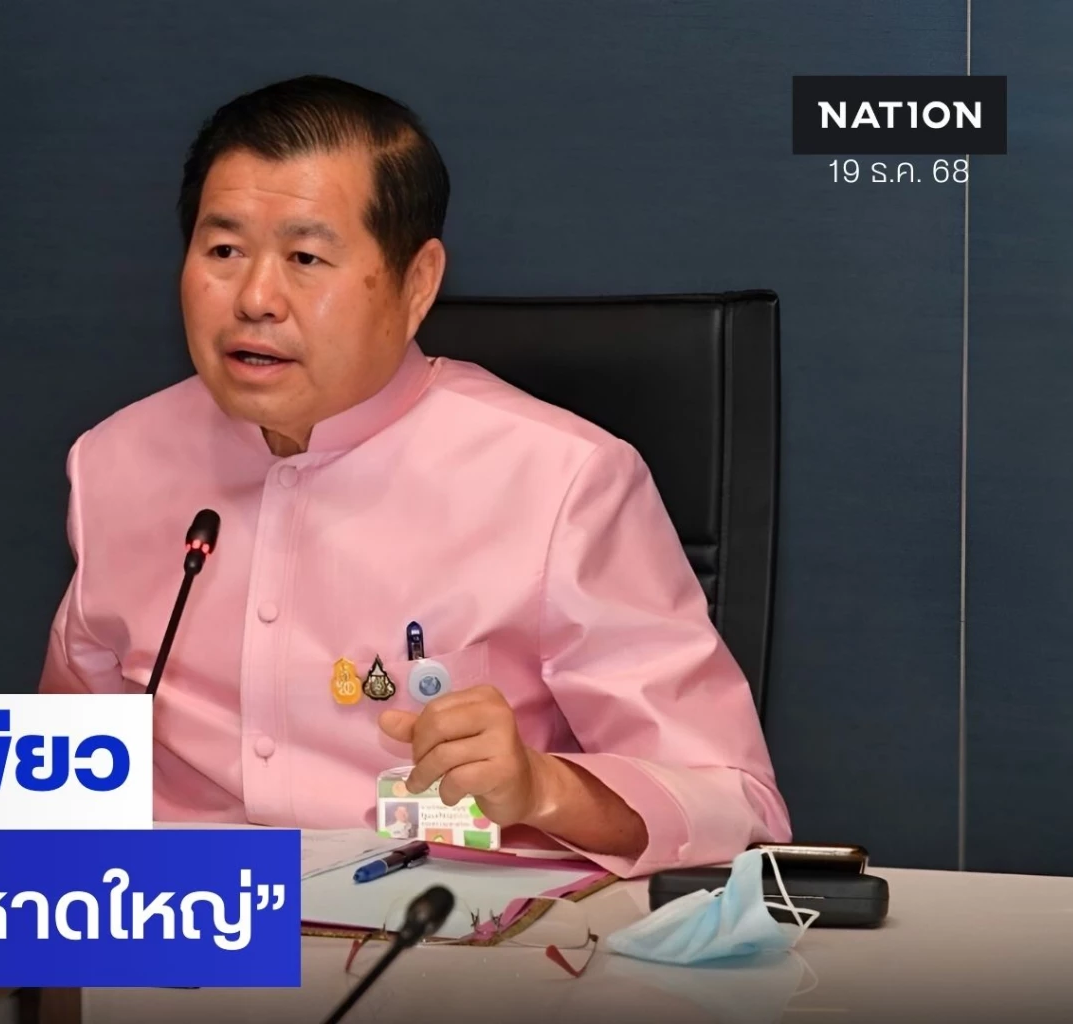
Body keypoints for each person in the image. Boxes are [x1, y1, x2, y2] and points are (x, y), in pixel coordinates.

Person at [38, 74, 790, 877]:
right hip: (174, 918)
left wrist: (544, 788)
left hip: (436, 923)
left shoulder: (561, 482)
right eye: (224, 251)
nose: (255, 298)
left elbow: (734, 801)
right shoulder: (114, 461)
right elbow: (56, 781)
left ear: (418, 281)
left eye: (305, 257)